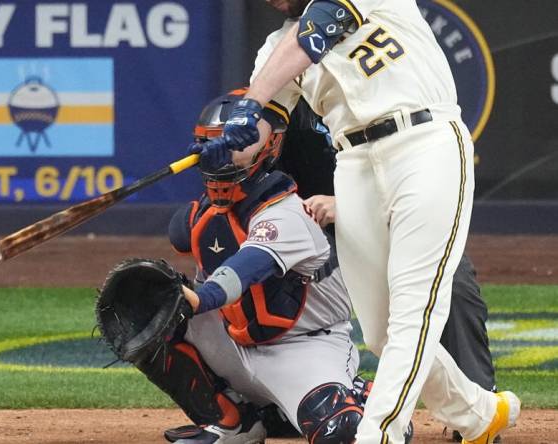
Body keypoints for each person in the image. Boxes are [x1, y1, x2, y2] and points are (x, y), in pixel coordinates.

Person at [187, 1, 519, 443]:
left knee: (412, 312)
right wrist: (225, 151)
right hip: (355, 164)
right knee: (381, 331)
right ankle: (479, 413)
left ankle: (379, 433)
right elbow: (266, 124)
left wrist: (253, 99)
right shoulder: (272, 52)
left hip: (423, 142)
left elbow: (317, 27)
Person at [156, 88, 391, 444]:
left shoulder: (289, 212)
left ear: (268, 146)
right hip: (237, 346)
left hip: (305, 349)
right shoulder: (204, 214)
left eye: (232, 147)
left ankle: (366, 400)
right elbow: (180, 234)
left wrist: (202, 298)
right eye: (213, 147)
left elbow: (248, 266)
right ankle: (234, 422)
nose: (222, 159)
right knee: (144, 302)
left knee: (340, 433)